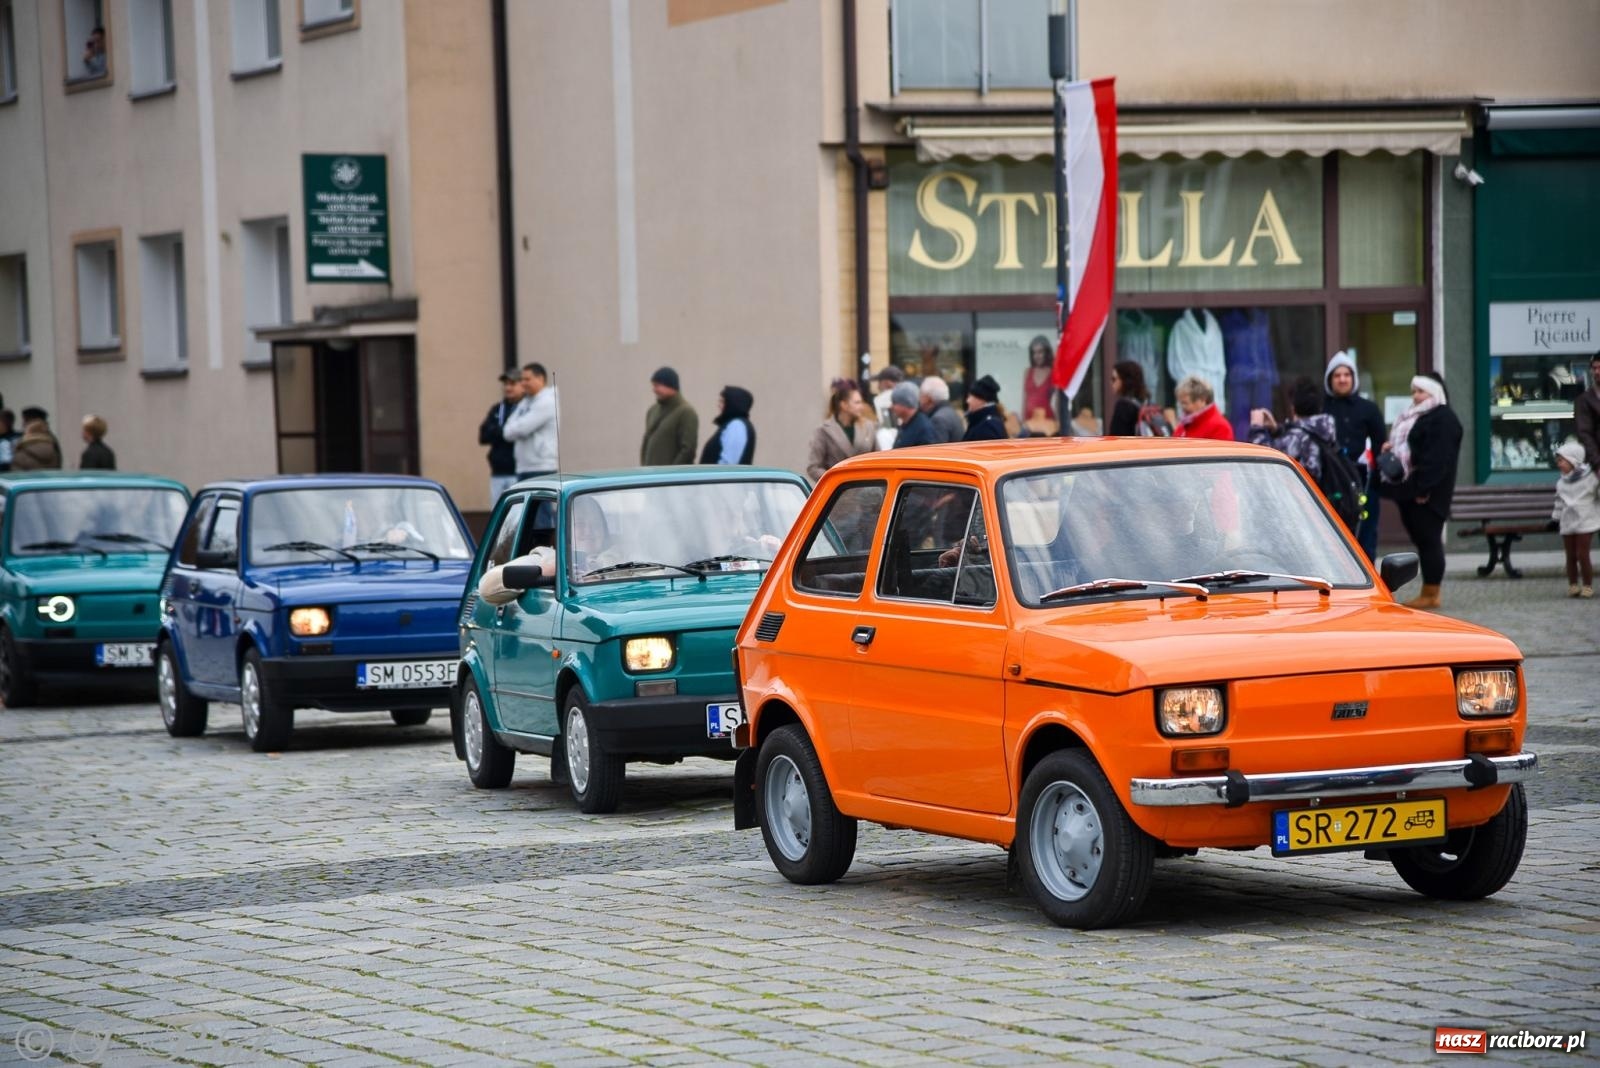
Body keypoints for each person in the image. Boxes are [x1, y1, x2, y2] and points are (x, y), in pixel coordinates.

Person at [1380, 373, 1462, 610]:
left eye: (1420, 391)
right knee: (1423, 541)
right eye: (1413, 391)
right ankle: (1429, 591)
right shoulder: (1418, 415)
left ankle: (1431, 593)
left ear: (1433, 392)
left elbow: (1438, 459)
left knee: (1429, 541)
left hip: (1427, 493)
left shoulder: (1443, 418)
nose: (1415, 396)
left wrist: (1424, 488)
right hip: (1411, 490)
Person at [1323, 350, 1388, 560]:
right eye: (1337, 375)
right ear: (1330, 380)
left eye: (1347, 375)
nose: (1342, 379)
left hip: (1364, 484)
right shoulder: (1322, 410)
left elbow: (1380, 446)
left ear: (1354, 378)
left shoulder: (1368, 409)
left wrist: (1376, 482)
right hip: (1332, 484)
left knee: (1365, 538)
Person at [1248, 378, 1336, 479]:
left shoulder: (1297, 437)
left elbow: (1264, 460)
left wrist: (1256, 428)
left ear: (1293, 407)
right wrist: (1277, 430)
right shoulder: (1326, 428)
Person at [1551, 441, 1599, 598]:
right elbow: (1559, 502)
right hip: (1567, 521)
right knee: (1570, 555)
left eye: (1561, 461)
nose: (1559, 465)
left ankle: (1587, 585)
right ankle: (1573, 584)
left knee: (1582, 554)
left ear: (1573, 461)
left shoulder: (1591, 478)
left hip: (1586, 520)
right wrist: (1555, 518)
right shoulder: (1561, 482)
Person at [806, 380, 876, 482]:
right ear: (844, 405)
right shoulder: (823, 430)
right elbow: (813, 467)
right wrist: (835, 480)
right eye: (857, 402)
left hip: (868, 489)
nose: (861, 407)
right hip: (841, 492)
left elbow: (878, 458)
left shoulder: (868, 427)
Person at [502, 362, 559, 480]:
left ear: (540, 379)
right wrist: (513, 428)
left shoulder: (547, 402)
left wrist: (514, 427)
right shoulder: (525, 402)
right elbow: (506, 432)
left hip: (542, 468)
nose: (523, 383)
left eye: (527, 379)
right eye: (522, 379)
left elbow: (522, 429)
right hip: (524, 467)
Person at [478, 372, 524, 499]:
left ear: (522, 385)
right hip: (497, 471)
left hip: (517, 471)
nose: (508, 388)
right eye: (506, 384)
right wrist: (504, 431)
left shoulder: (525, 408)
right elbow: (483, 435)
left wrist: (499, 431)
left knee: (517, 513)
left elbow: (519, 432)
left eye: (512, 384)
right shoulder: (497, 408)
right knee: (499, 512)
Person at [641, 366, 698, 465]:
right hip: (651, 476)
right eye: (654, 385)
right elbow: (646, 442)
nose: (654, 390)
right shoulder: (653, 411)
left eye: (657, 385)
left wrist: (671, 473)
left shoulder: (686, 412)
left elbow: (688, 450)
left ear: (671, 386)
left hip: (669, 478)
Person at [700, 386, 756, 465]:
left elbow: (728, 465)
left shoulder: (737, 426)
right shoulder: (733, 424)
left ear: (733, 404)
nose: (719, 405)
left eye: (722, 402)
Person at [1172, 376, 1234, 440]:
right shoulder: (1186, 423)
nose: (1182, 407)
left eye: (1185, 403)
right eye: (1181, 403)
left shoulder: (1220, 428)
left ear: (1202, 400)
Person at [1021, 336, 1057, 434]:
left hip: (1047, 422)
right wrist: (1022, 421)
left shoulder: (1053, 373)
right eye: (1034, 353)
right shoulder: (1028, 372)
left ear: (1046, 352)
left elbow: (1057, 401)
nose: (1037, 356)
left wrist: (1059, 424)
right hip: (1029, 422)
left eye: (1040, 352)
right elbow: (1024, 399)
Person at [1108, 361, 1150, 436]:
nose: (1111, 382)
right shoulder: (1146, 402)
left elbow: (1116, 438)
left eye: (1114, 379)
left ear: (1125, 381)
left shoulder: (1123, 406)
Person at [889, 382, 935, 449]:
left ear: (906, 404)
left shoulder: (922, 428)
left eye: (894, 402)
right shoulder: (907, 424)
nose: (891, 407)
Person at [919, 376, 965, 444]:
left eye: (921, 395)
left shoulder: (938, 419)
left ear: (928, 398)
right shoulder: (950, 412)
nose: (919, 399)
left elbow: (936, 451)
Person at [871, 365, 907, 449]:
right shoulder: (908, 396)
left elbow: (887, 426)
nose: (878, 387)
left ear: (886, 383)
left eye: (879, 382)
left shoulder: (883, 399)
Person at [962, 375, 1007, 442]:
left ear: (981, 399)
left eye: (970, 396)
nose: (967, 401)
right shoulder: (982, 421)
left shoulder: (988, 427)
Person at [1576, 352, 1600, 469]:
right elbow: (1585, 434)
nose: (1597, 372)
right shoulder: (1585, 400)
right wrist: (1597, 463)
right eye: (1594, 368)